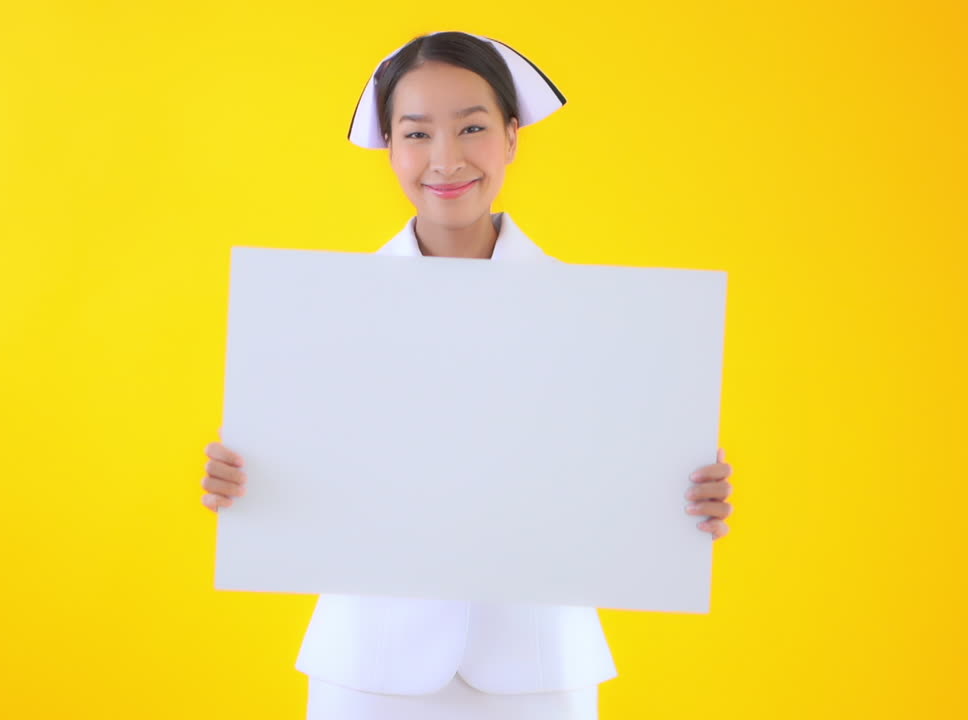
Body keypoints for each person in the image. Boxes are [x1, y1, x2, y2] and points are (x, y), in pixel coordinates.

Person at [199, 30, 735, 720]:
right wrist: (249, 482)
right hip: (369, 665)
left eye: (473, 128)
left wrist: (682, 499)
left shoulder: (600, 323)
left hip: (540, 666)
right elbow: (314, 478)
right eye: (417, 133)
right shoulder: (323, 318)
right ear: (390, 148)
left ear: (512, 137)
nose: (445, 159)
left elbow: (613, 483)